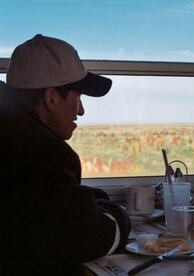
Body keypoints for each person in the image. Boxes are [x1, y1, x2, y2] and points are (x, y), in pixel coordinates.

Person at [0, 34, 131, 275]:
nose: (81, 110)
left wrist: (93, 200)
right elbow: (89, 238)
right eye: (78, 97)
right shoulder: (41, 153)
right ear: (51, 98)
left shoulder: (11, 136)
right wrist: (119, 215)